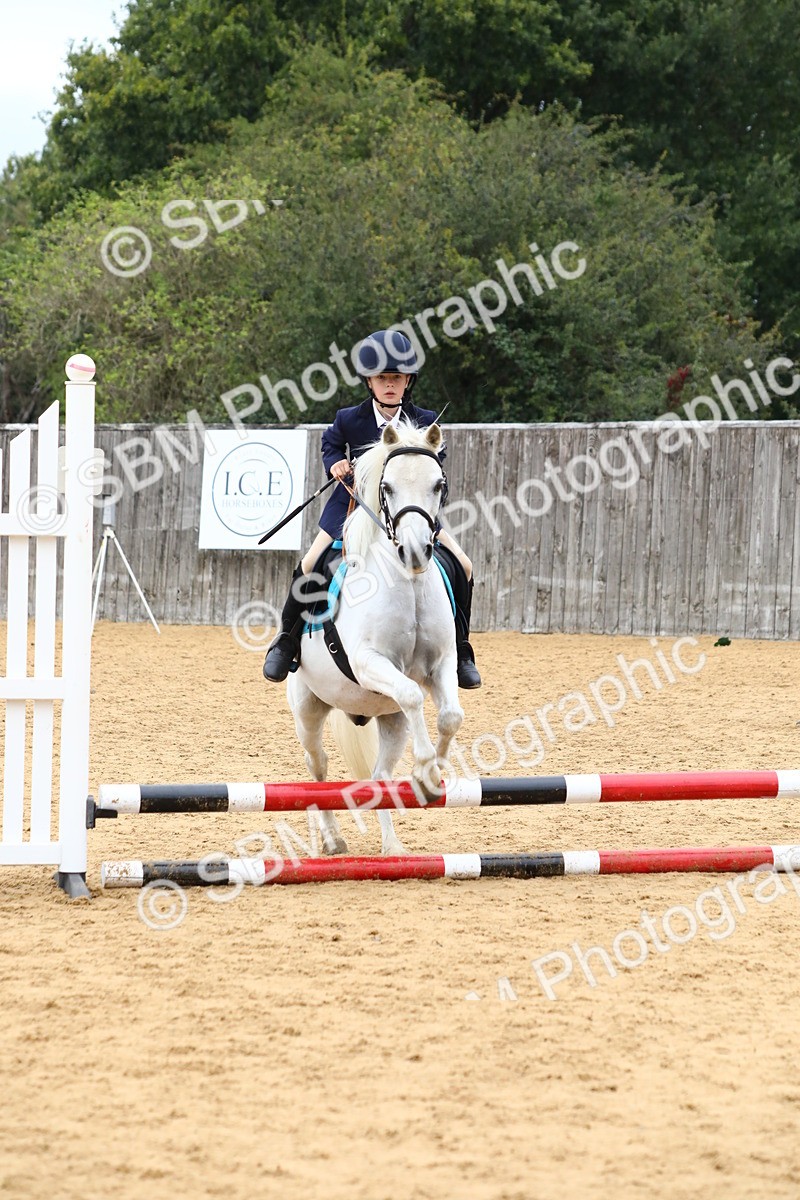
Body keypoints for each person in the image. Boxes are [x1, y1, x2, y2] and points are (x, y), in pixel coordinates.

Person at [263, 329, 481, 688]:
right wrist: (335, 463)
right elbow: (330, 443)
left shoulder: (425, 419)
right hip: (353, 506)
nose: (389, 384)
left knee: (465, 565)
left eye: (396, 377)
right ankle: (286, 642)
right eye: (382, 378)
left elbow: (433, 463)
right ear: (369, 382)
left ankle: (461, 650)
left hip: (407, 509)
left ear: (408, 381)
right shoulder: (349, 418)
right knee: (310, 563)